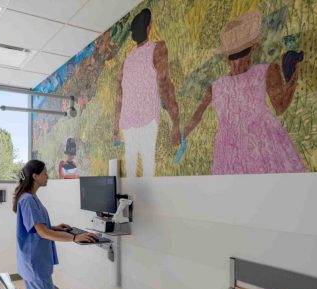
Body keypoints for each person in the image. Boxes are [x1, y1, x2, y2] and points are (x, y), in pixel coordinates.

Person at [183, 11, 305, 174]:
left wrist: (182, 135)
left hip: (228, 150)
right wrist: (295, 73)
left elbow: (196, 117)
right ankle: (291, 62)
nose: (238, 62)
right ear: (254, 47)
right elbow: (280, 106)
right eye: (236, 55)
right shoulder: (267, 70)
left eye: (239, 54)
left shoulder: (216, 86)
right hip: (262, 143)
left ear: (225, 56)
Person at [13, 160, 98, 289]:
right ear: (35, 176)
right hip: (35, 266)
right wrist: (74, 237)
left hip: (31, 264)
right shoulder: (28, 200)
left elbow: (37, 228)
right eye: (44, 173)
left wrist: (55, 227)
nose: (47, 176)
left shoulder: (30, 197)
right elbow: (42, 233)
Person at [115, 8, 181, 177]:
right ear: (149, 27)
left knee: (130, 166)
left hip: (128, 120)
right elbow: (164, 83)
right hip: (147, 117)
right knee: (148, 164)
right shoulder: (158, 48)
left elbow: (119, 95)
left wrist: (117, 125)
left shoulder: (127, 61)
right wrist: (175, 121)